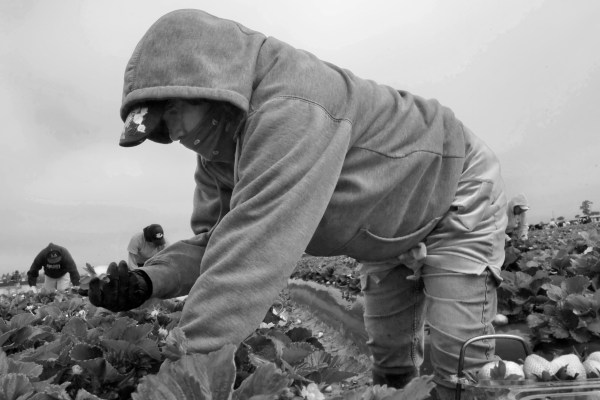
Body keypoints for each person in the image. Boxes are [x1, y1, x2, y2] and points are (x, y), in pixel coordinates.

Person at [88, 9, 508, 399]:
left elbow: (253, 250)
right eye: (162, 130)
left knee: (458, 364)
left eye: (171, 115)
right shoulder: (218, 152)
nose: (174, 135)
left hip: (449, 188)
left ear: (206, 85)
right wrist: (150, 280)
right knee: (392, 368)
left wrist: (188, 370)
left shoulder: (292, 106)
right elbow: (218, 244)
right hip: (382, 225)